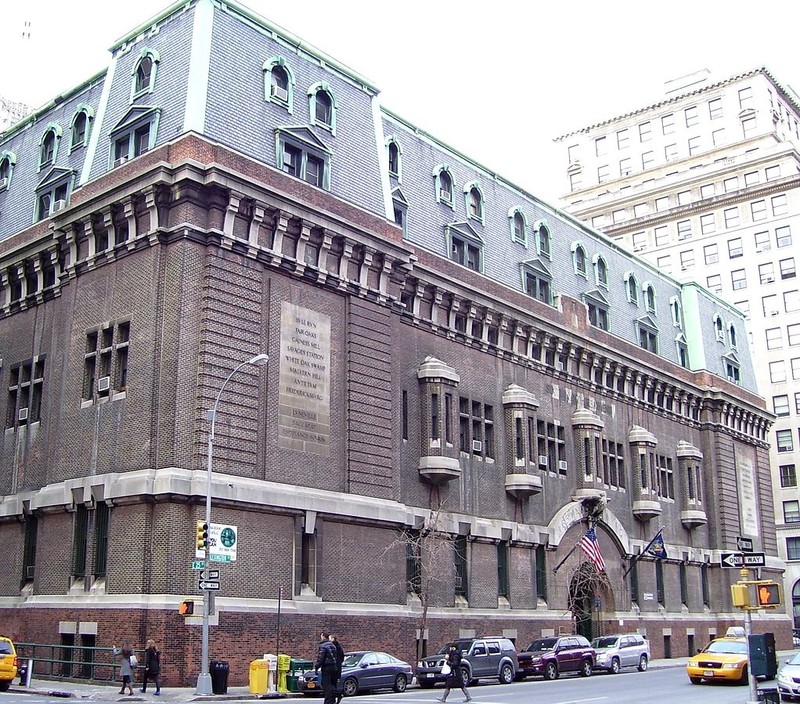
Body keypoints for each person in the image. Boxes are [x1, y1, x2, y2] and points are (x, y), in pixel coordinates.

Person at [314, 631, 339, 704]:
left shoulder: (323, 646)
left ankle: (329, 700)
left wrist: (316, 666)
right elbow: (336, 657)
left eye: (321, 636)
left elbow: (321, 658)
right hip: (333, 667)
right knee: (331, 684)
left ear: (323, 636)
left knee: (325, 684)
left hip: (326, 667)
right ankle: (334, 697)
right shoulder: (332, 645)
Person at [329, 634, 345, 704]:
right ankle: (333, 699)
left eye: (330, 638)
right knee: (334, 684)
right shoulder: (339, 647)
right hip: (338, 667)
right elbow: (342, 657)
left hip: (334, 668)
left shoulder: (333, 647)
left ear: (333, 639)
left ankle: (338, 694)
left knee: (330, 684)